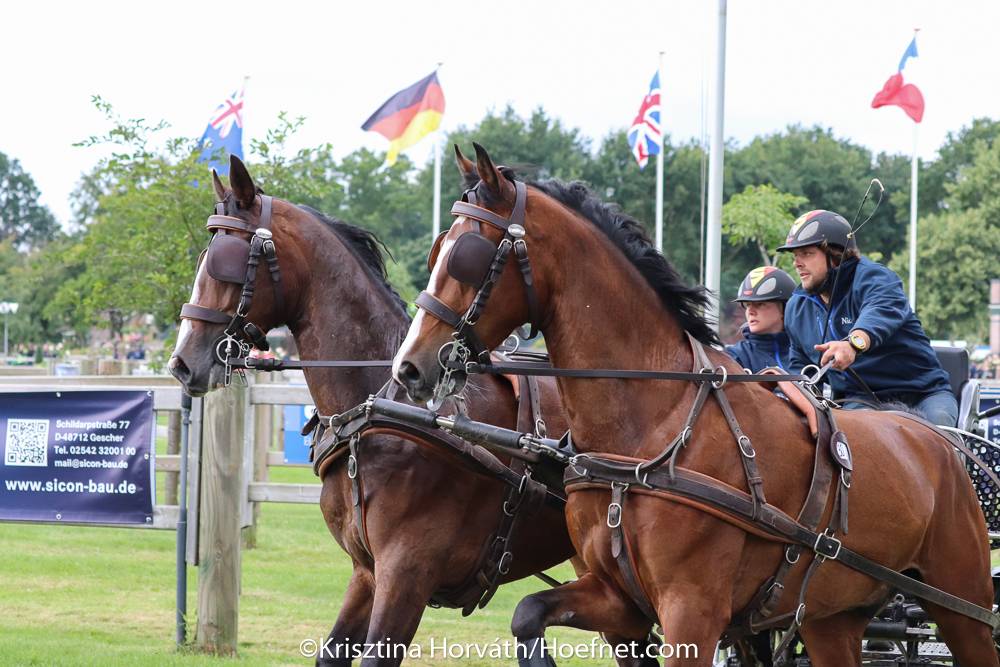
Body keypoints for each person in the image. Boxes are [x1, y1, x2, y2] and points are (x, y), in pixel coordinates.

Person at [777, 209, 956, 426]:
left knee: (938, 434)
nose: (796, 263)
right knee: (850, 436)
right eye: (795, 255)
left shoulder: (875, 278)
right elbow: (801, 370)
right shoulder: (796, 308)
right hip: (858, 400)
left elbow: (880, 310)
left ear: (836, 256)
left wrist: (852, 344)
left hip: (922, 394)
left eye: (806, 253)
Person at [725, 266, 797, 372]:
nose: (750, 311)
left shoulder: (806, 352)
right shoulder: (734, 357)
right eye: (747, 305)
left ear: (786, 308)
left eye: (760, 304)